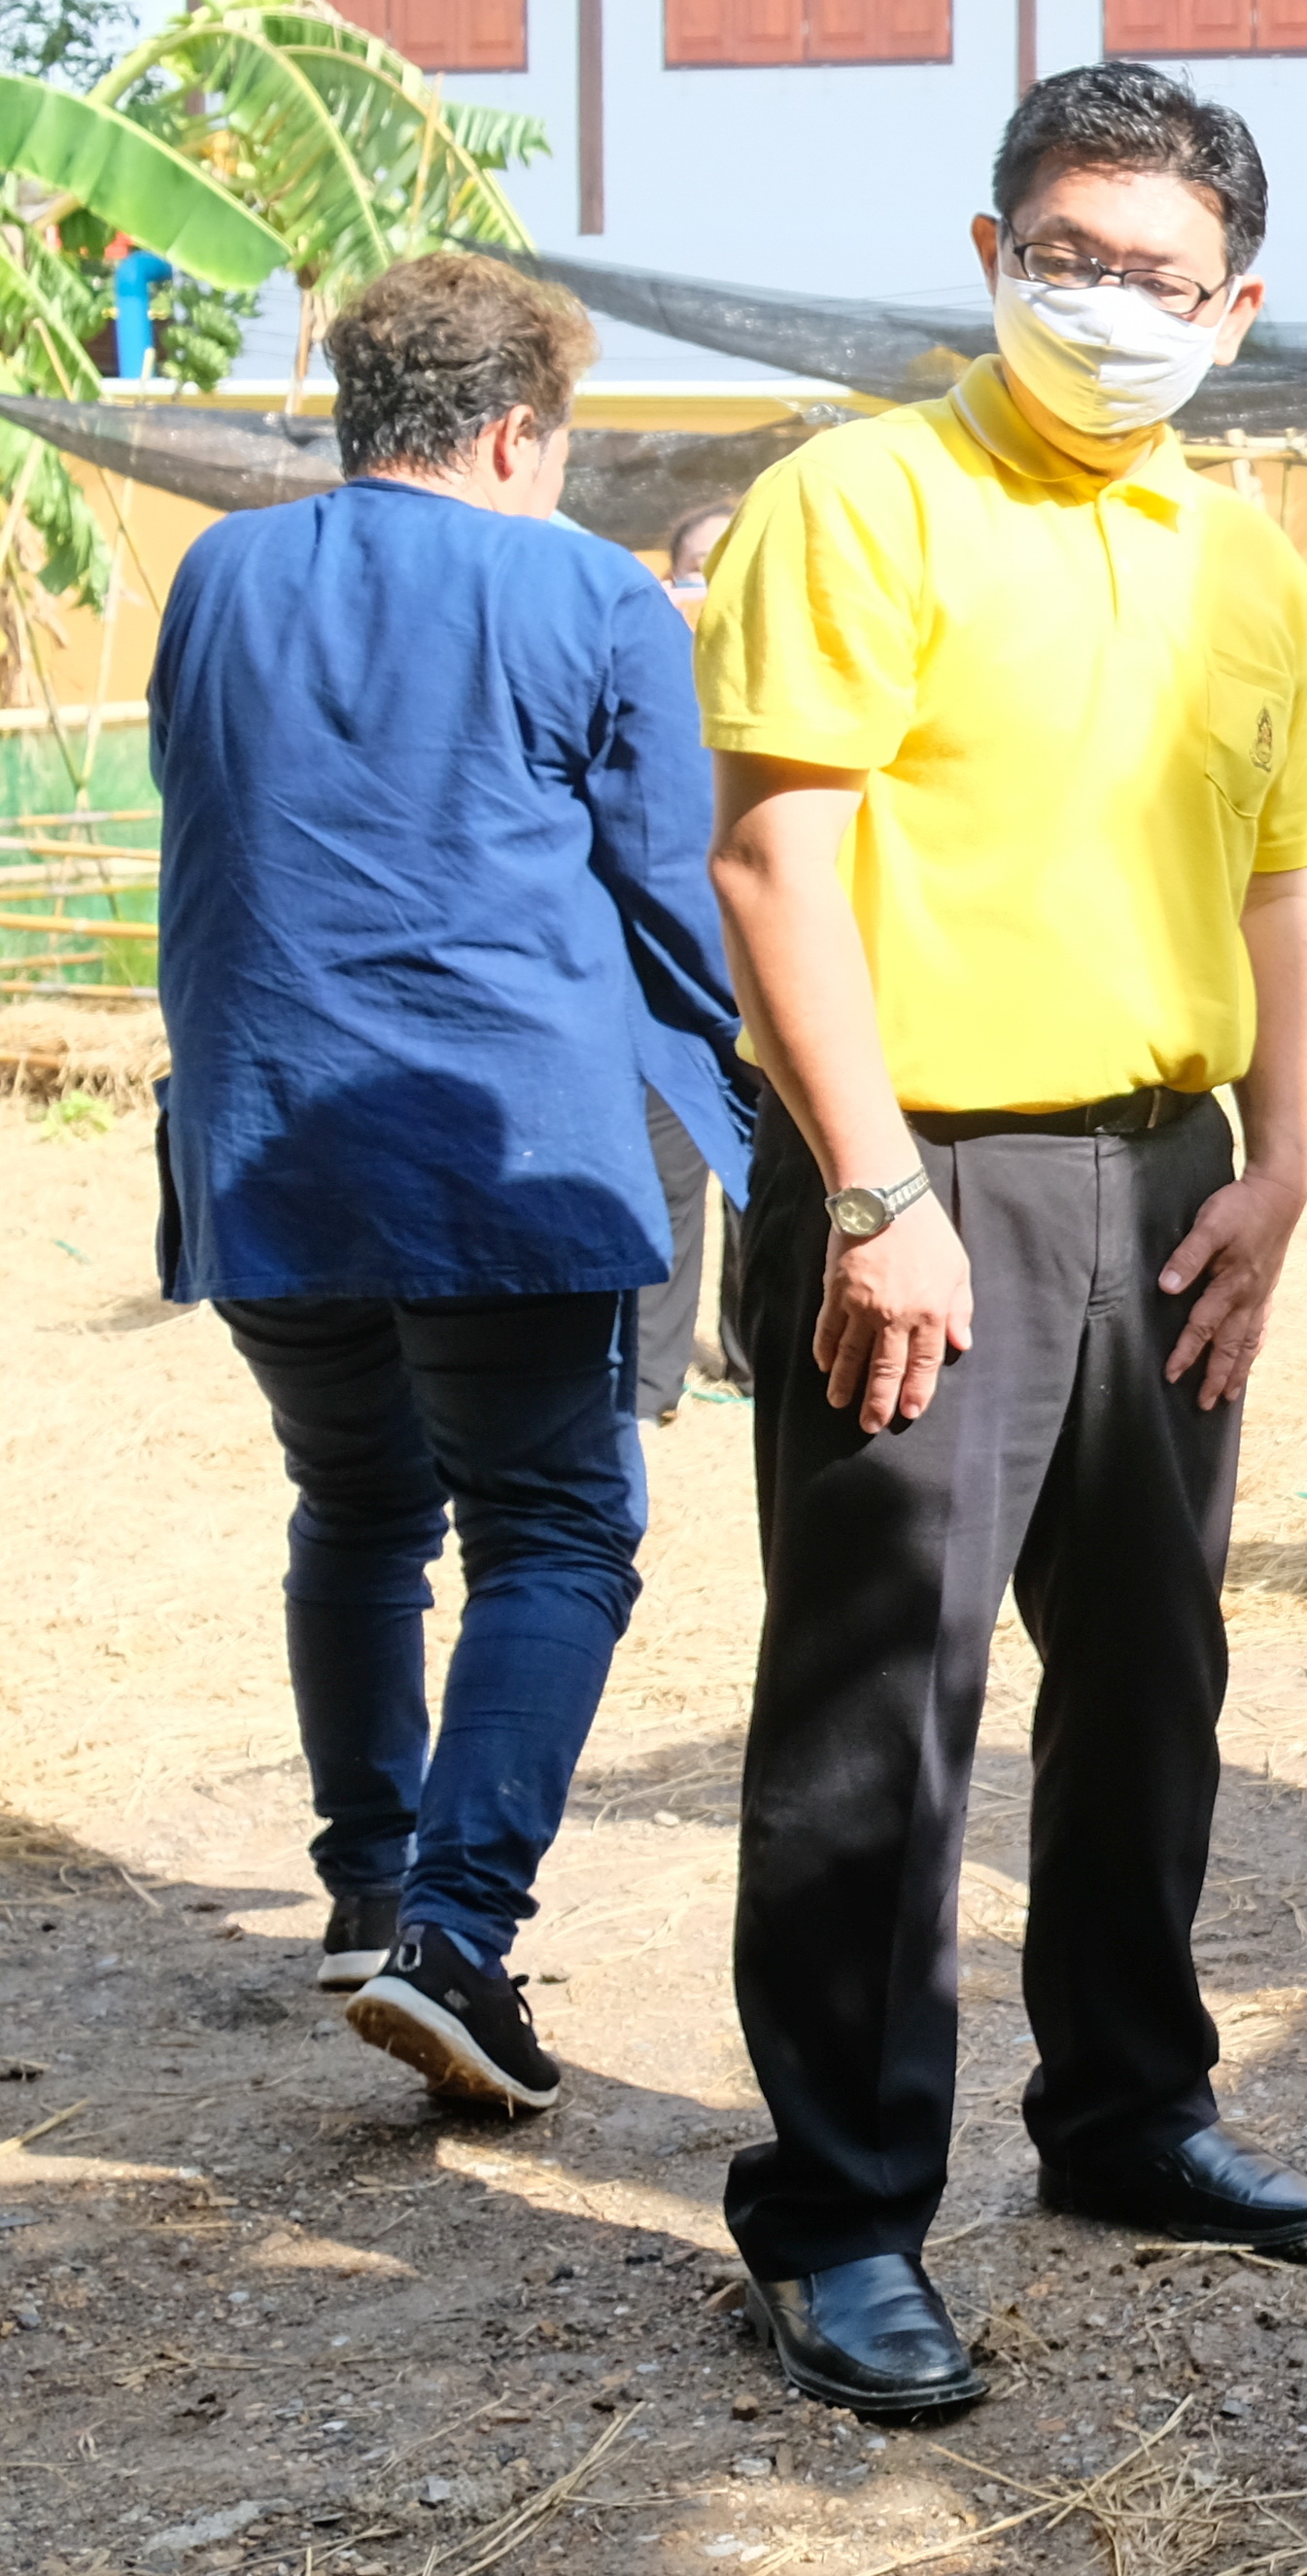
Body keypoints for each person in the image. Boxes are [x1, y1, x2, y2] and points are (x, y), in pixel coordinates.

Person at [698, 63, 1307, 2419]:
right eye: (1070, 259)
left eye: (1163, 278)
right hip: (926, 1166)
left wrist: (1281, 1160)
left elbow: (1285, 880)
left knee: (1153, 1663)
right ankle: (838, 2207)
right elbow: (776, 859)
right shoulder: (859, 499)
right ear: (990, 254)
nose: (1112, 308)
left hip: (1171, 1166)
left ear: (1241, 304)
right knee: (886, 1686)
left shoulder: (1250, 551)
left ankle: (1124, 2111)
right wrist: (872, 1187)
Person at [150, 251, 750, 2115]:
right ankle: (457, 1939)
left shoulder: (218, 576)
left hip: (262, 1144)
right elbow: (676, 888)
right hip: (501, 1158)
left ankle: (365, 1886)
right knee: (558, 1531)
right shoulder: (592, 594)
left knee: (354, 1512)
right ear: (514, 431)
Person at [636, 499, 751, 1425]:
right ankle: (648, 1380)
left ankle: (759, 1358)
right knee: (667, 1174)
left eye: (727, 565)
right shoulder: (643, 673)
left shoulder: (786, 671)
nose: (707, 587)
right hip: (671, 980)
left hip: (766, 967)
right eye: (694, 567)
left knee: (766, 1177)